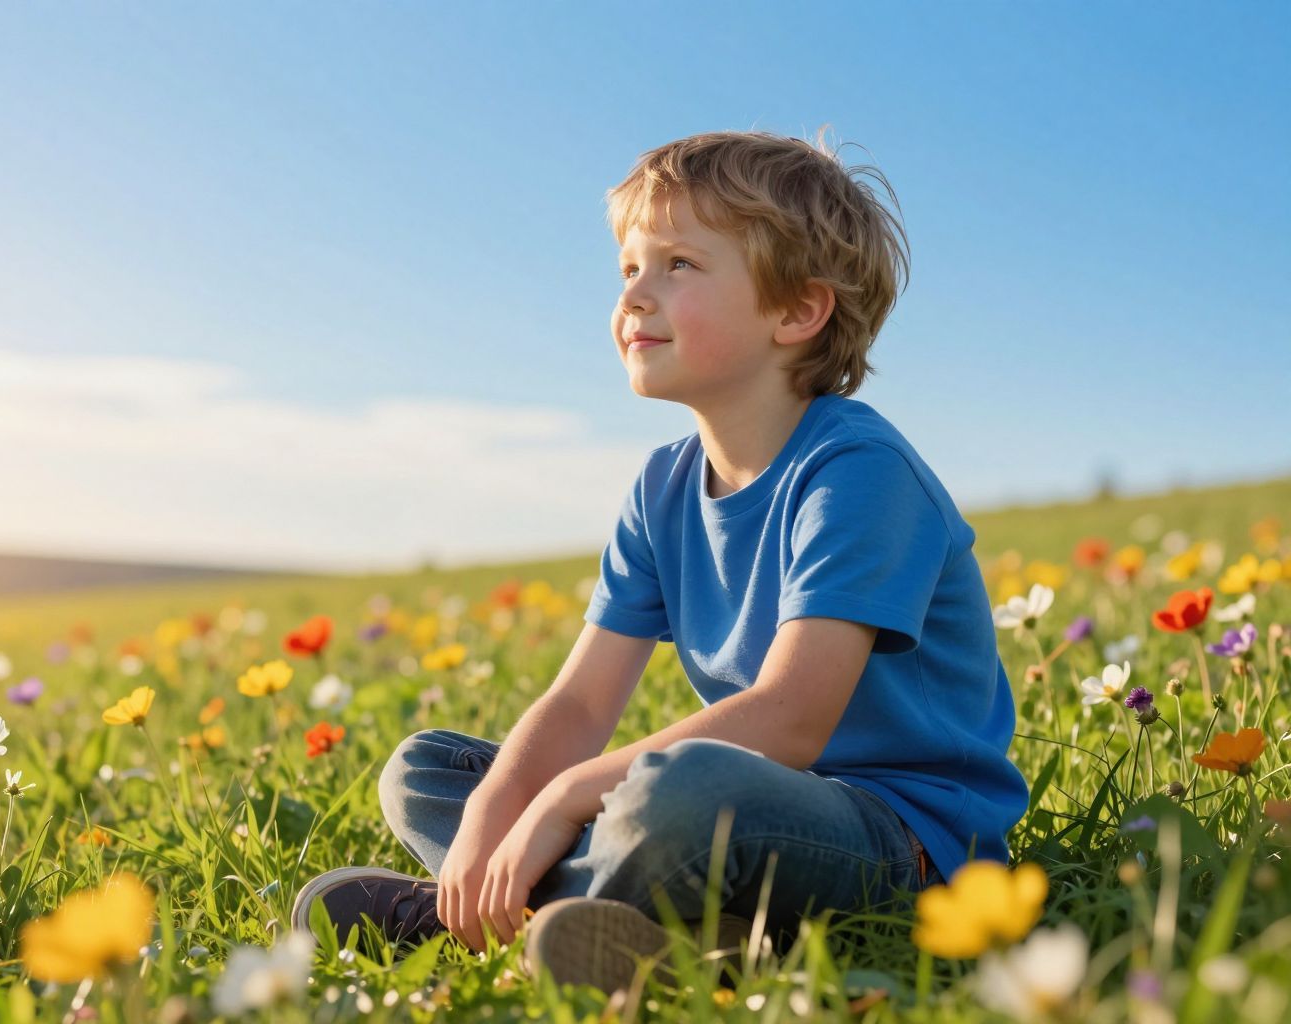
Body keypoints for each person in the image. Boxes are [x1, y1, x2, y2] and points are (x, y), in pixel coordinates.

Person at [291, 128, 1029, 995]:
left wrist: (566, 800)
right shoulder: (662, 487)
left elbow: (791, 718)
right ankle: (643, 931)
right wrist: (503, 807)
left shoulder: (859, 472)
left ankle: (511, 917)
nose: (636, 294)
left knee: (676, 791)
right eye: (628, 268)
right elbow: (577, 702)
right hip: (741, 810)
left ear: (798, 311)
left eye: (679, 264)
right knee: (426, 770)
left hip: (906, 846)